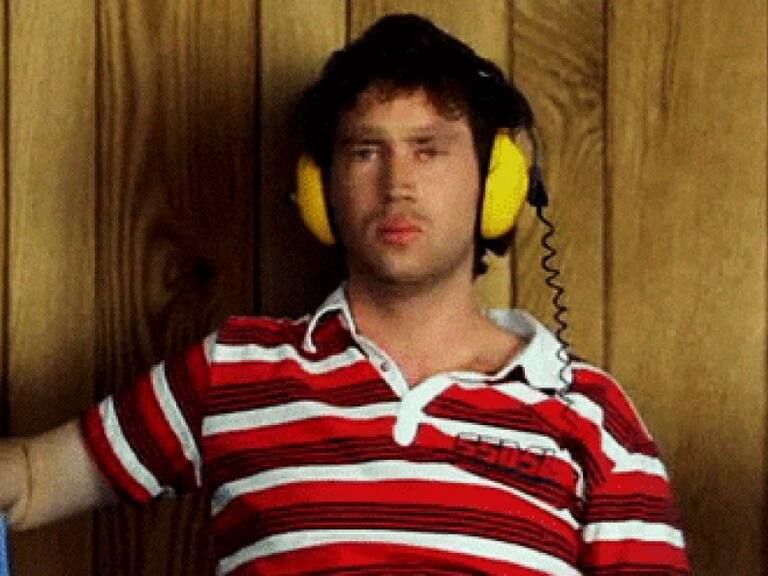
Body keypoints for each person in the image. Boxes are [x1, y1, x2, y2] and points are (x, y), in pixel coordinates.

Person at [0, 13, 690, 575]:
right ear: (320, 192)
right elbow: (29, 482)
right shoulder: (234, 370)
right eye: (365, 151)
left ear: (497, 185)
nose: (397, 185)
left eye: (429, 149)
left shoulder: (593, 417)